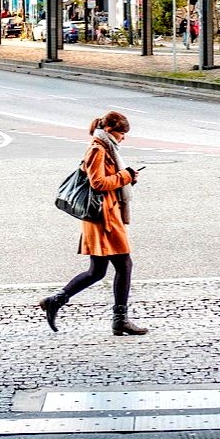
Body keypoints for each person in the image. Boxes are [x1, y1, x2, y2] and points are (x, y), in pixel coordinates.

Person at [39, 111, 148, 336]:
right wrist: (125, 176)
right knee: (124, 265)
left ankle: (55, 301)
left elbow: (108, 183)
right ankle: (120, 320)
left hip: (105, 214)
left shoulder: (107, 148)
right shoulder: (98, 150)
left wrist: (128, 179)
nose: (123, 138)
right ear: (109, 131)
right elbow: (98, 183)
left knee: (97, 271)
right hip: (103, 219)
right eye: (121, 133)